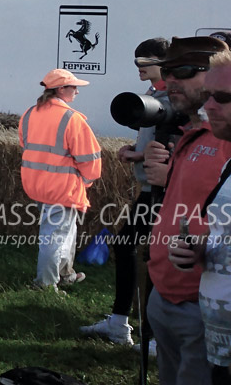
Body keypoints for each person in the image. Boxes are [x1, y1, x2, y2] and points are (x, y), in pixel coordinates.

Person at [145, 35, 231, 385]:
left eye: (182, 72)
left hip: (204, 307)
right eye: (166, 72)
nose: (169, 81)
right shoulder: (195, 134)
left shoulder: (225, 138)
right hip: (166, 296)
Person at [82, 37, 173, 346]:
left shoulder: (176, 98)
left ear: (164, 62)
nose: (138, 69)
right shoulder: (154, 94)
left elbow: (184, 147)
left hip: (168, 191)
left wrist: (141, 155)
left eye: (143, 62)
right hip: (150, 187)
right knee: (126, 246)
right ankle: (121, 324)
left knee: (157, 254)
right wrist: (137, 148)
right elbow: (158, 138)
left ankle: (155, 335)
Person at [169, 60, 231, 385]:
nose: (209, 106)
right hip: (220, 345)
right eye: (208, 95)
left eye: (222, 98)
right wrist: (200, 251)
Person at [19, 68, 103, 289]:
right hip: (61, 188)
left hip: (37, 185)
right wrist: (87, 180)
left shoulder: (30, 114)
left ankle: (65, 274)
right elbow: (90, 160)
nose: (77, 91)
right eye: (73, 87)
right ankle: (45, 285)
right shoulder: (71, 119)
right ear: (61, 89)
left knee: (65, 233)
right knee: (55, 238)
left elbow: (26, 145)